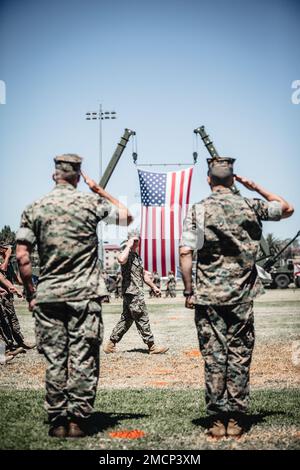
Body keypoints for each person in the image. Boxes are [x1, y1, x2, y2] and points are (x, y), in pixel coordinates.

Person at [16, 154, 133, 438]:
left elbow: (22, 256)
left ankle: (57, 420)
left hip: (49, 295)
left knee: (56, 358)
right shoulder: (90, 203)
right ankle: (78, 421)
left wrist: (32, 293)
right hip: (85, 295)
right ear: (79, 177)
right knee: (83, 357)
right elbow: (127, 216)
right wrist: (98, 190)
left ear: (54, 175)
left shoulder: (35, 207)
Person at [179, 157, 294, 438]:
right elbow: (288, 208)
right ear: (233, 179)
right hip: (242, 295)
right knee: (239, 355)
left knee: (214, 357)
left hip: (208, 296)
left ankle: (218, 420)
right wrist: (254, 186)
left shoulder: (199, 209)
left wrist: (189, 291)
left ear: (208, 179)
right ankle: (238, 418)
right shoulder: (249, 205)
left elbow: (185, 252)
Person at [103, 234, 169, 355]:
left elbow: (143, 274)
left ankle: (111, 344)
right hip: (132, 292)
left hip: (135, 292)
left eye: (137, 240)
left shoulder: (137, 257)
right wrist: (128, 245)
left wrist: (154, 287)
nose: (136, 242)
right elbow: (121, 260)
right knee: (142, 317)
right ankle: (152, 346)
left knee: (126, 320)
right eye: (134, 240)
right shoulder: (125, 254)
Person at [0, 245, 33, 350]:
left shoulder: (8, 263)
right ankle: (8, 346)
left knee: (13, 319)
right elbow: (2, 270)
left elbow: (16, 278)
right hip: (2, 296)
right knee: (3, 322)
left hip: (8, 295)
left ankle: (19, 342)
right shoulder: (3, 262)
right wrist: (7, 256)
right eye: (7, 251)